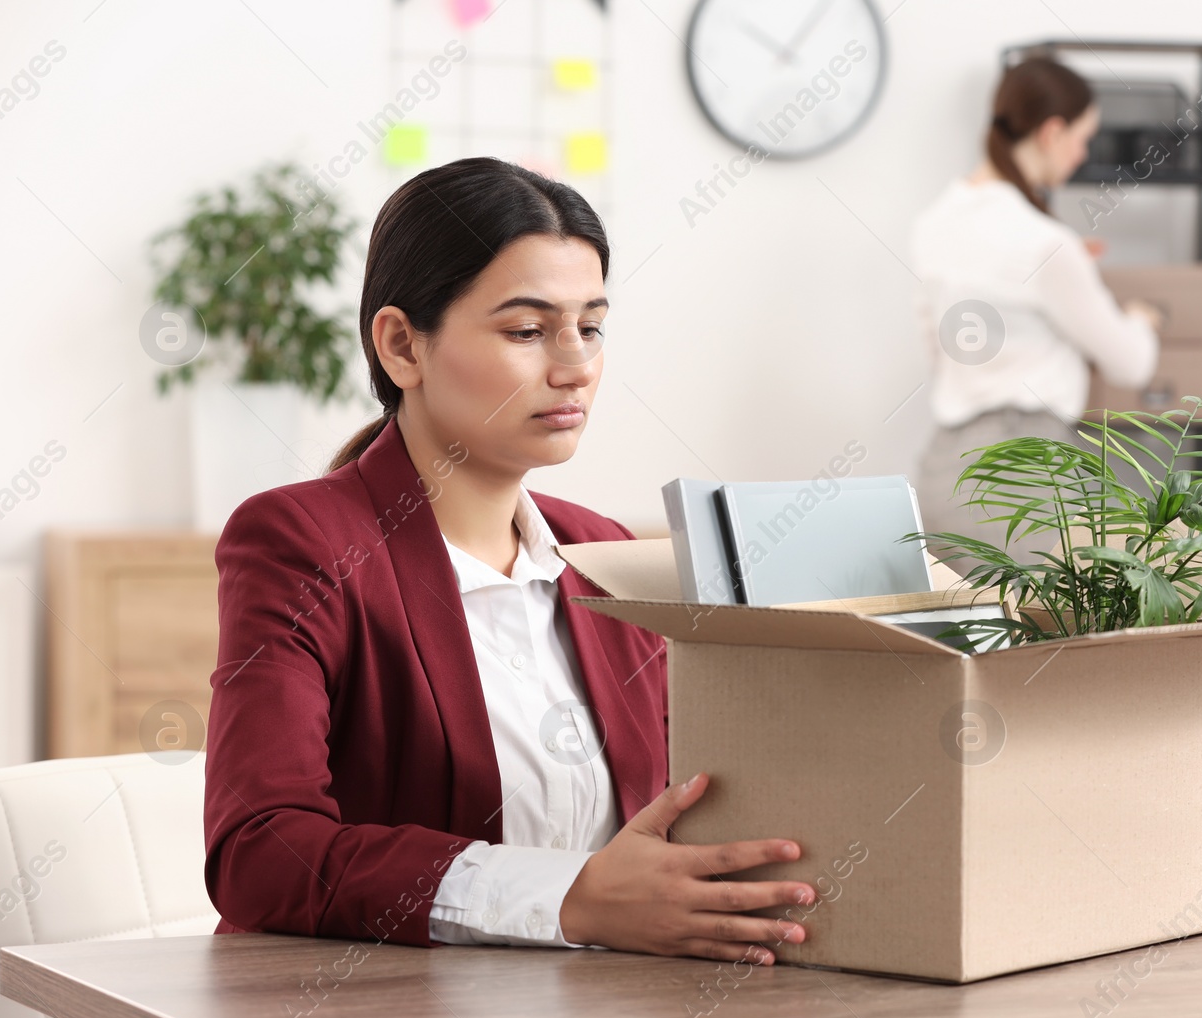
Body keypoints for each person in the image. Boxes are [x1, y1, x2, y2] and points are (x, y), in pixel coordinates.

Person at [204, 157, 815, 966]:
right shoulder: (302, 540)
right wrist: (570, 897)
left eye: (590, 326)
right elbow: (260, 851)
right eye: (527, 330)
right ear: (401, 345)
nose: (574, 366)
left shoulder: (604, 557)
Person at [910, 55, 1164, 574]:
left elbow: (937, 343)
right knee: (1040, 645)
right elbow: (1131, 363)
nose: (1082, 154)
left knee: (960, 643)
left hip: (941, 470)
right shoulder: (1047, 243)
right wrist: (1140, 316)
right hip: (1023, 474)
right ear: (1052, 131)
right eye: (1082, 138)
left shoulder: (934, 224)